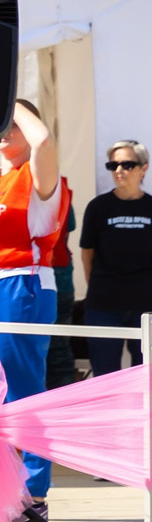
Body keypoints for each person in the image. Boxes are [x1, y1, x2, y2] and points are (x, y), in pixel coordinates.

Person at [0, 99, 66, 509]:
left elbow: (44, 141)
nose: (5, 130)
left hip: (20, 284)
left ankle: (34, 489)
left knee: (22, 389)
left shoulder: (36, 174)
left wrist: (9, 96)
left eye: (13, 123)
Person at [80, 140, 152, 376]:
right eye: (114, 165)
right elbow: (87, 252)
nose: (119, 170)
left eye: (128, 164)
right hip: (104, 305)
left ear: (144, 168)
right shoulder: (98, 207)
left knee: (145, 373)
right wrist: (99, 288)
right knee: (105, 374)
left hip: (146, 306)